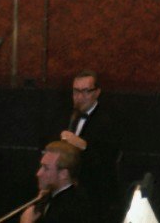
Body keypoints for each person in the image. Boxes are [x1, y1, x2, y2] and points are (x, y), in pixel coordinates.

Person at [57, 71, 119, 222]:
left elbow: (107, 160)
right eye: (76, 91)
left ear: (97, 92)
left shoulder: (108, 120)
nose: (79, 96)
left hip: (93, 191)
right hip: (65, 188)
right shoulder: (63, 114)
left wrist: (83, 145)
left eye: (85, 91)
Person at [21, 141, 91, 223]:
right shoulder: (50, 198)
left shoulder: (72, 208)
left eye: (46, 168)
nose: (38, 173)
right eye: (41, 167)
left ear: (63, 174)